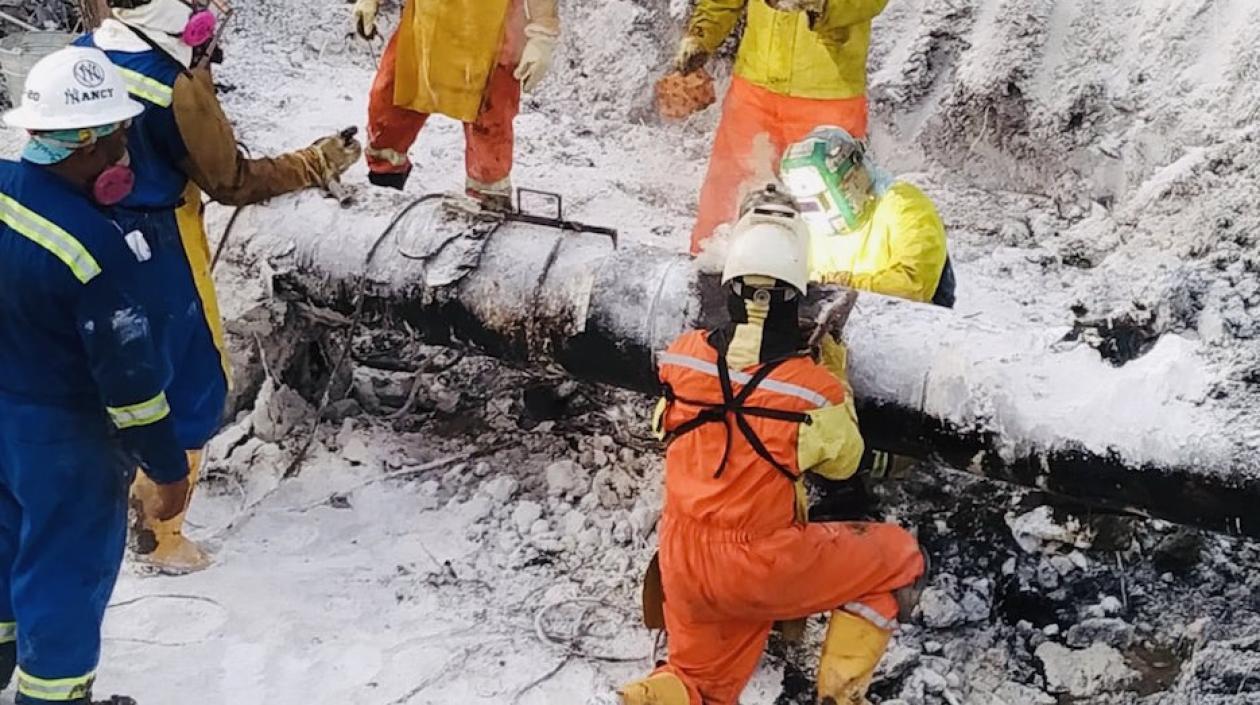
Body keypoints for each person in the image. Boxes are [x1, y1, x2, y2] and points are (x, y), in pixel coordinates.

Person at [76, 0, 363, 573]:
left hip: (85, 230)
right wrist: (313, 163)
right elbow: (230, 179)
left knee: (105, 368)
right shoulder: (173, 85)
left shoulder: (85, 54)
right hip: (158, 239)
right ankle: (159, 532)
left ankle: (93, 501)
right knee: (196, 380)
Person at [616, 193, 926, 705]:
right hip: (759, 563)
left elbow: (663, 426)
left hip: (683, 559)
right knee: (898, 558)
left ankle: (647, 697)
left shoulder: (682, 357)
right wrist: (834, 378)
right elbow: (844, 460)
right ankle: (839, 698)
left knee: (700, 685)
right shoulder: (811, 390)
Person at [0, 46, 191, 705]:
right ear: (81, 146)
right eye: (115, 141)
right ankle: (52, 696)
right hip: (65, 440)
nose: (124, 157)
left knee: (3, 549)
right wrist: (167, 467)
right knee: (64, 570)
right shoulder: (93, 247)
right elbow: (131, 382)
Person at [676, 0, 890, 253]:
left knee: (829, 216)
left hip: (828, 96)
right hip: (753, 92)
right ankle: (705, 277)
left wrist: (821, 4)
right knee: (724, 205)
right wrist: (701, 36)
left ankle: (826, 290)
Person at [352, 0, 560, 205]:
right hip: (424, 26)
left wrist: (541, 35)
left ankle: (488, 200)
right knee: (389, 105)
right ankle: (383, 188)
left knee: (489, 125)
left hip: (489, 32)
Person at [780, 125, 955, 307]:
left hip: (910, 325)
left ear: (854, 175)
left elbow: (912, 286)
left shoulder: (905, 205)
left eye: (825, 198)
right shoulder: (814, 228)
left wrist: (841, 284)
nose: (819, 211)